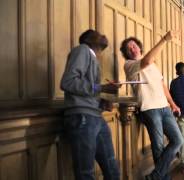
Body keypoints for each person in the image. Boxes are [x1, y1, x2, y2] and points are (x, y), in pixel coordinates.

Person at [121, 31, 183, 180]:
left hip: (164, 108)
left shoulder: (153, 64)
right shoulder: (129, 65)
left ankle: (155, 176)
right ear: (127, 54)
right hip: (149, 109)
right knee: (158, 147)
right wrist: (164, 40)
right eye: (129, 49)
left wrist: (173, 104)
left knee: (178, 140)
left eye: (134, 46)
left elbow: (162, 86)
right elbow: (146, 61)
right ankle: (162, 178)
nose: (132, 49)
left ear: (139, 47)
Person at [60, 29, 121, 180]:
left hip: (95, 116)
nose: (104, 35)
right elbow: (68, 82)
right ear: (89, 39)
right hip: (83, 118)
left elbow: (86, 90)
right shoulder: (82, 50)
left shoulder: (91, 57)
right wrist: (102, 88)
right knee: (86, 173)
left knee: (112, 168)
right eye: (99, 34)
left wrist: (102, 102)